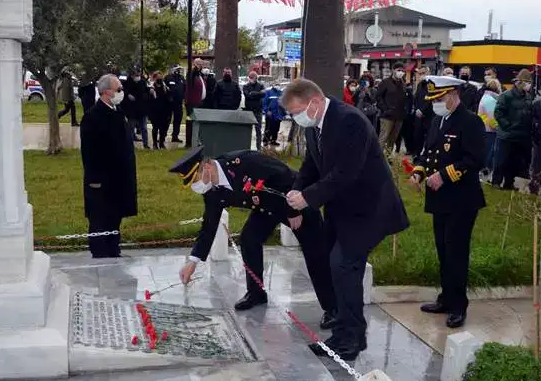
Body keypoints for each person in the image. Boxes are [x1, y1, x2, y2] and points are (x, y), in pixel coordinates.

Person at [281, 79, 409, 360]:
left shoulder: (349, 121)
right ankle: (341, 332)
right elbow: (312, 164)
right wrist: (297, 188)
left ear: (314, 102)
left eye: (296, 111)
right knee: (330, 262)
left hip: (369, 209)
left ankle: (352, 339)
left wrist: (309, 198)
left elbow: (346, 172)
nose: (295, 118)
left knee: (344, 266)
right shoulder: (315, 125)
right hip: (342, 209)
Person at [172, 146, 337, 328]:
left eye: (196, 179)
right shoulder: (213, 190)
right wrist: (192, 262)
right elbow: (209, 226)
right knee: (249, 239)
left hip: (294, 201)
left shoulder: (243, 162)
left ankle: (333, 308)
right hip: (265, 209)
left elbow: (285, 175)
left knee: (316, 253)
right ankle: (256, 293)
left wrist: (294, 210)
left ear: (208, 167)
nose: (197, 186)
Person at [409, 75, 486, 329]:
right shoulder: (437, 120)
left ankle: (458, 305)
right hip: (439, 198)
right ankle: (446, 297)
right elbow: (426, 152)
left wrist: (443, 175)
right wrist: (418, 171)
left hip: (461, 199)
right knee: (443, 250)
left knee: (456, 253)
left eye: (440, 99)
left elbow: (475, 160)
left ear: (454, 95)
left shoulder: (470, 122)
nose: (435, 104)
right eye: (433, 100)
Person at [80, 74, 138, 258]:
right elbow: (89, 152)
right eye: (118, 89)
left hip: (119, 177)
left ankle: (114, 247)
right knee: (100, 218)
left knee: (115, 216)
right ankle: (100, 251)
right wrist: (94, 179)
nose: (121, 92)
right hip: (102, 180)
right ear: (106, 92)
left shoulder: (117, 113)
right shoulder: (93, 116)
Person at [492, 69, 533, 190]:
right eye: (527, 82)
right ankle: (496, 182)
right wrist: (508, 126)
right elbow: (498, 113)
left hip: (520, 136)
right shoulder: (506, 95)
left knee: (514, 162)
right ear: (519, 82)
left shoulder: (528, 97)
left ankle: (509, 182)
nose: (528, 85)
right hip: (506, 135)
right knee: (501, 160)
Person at [375, 64, 407, 155]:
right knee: (383, 137)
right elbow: (378, 97)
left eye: (403, 71)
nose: (401, 73)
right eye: (398, 70)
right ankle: (377, 157)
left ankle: (388, 157)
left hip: (399, 116)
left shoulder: (403, 84)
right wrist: (385, 109)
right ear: (393, 70)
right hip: (387, 116)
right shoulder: (385, 82)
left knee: (392, 139)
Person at [477, 78, 502, 178]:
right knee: (488, 154)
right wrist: (498, 128)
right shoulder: (491, 100)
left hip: (485, 129)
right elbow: (492, 118)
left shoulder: (486, 97)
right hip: (489, 130)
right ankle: (484, 174)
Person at [123, 68, 151, 149]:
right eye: (136, 75)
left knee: (144, 128)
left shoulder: (142, 82)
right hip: (132, 110)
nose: (138, 76)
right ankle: (130, 145)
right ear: (132, 75)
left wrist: (150, 90)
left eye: (139, 75)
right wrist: (128, 95)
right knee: (131, 128)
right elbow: (124, 92)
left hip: (142, 109)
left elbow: (146, 89)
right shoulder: (127, 83)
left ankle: (146, 144)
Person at [148, 71, 173, 150]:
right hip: (154, 111)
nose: (159, 79)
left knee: (163, 129)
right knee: (155, 128)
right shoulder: (151, 88)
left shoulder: (165, 87)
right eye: (158, 77)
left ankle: (161, 143)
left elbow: (169, 98)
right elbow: (148, 100)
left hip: (164, 111)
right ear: (155, 78)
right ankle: (155, 144)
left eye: (161, 77)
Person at [185, 61, 206, 147]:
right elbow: (190, 76)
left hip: (200, 102)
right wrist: (194, 68)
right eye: (198, 64)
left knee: (198, 123)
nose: (200, 66)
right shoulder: (192, 75)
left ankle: (197, 140)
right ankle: (189, 142)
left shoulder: (200, 75)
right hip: (192, 103)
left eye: (201, 64)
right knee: (190, 122)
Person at [242, 70, 266, 149]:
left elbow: (263, 94)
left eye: (253, 77)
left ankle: (258, 148)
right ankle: (245, 147)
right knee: (246, 131)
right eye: (250, 77)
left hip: (258, 111)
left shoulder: (261, 85)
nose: (251, 79)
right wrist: (257, 94)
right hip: (248, 111)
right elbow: (247, 95)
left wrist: (252, 93)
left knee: (258, 131)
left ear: (256, 78)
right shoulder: (246, 86)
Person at [413, 65, 433, 157]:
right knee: (418, 137)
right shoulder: (420, 85)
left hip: (429, 116)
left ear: (428, 73)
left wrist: (422, 110)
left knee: (430, 138)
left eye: (423, 73)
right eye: (420, 73)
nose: (421, 75)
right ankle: (417, 155)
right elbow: (416, 99)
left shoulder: (433, 84)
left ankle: (427, 157)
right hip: (419, 116)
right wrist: (417, 109)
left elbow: (431, 98)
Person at [165, 65, 185, 143]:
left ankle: (175, 136)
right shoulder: (168, 77)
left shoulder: (182, 78)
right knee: (167, 120)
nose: (178, 71)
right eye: (177, 69)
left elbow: (185, 88)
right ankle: (163, 136)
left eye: (179, 69)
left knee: (178, 120)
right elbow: (165, 88)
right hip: (169, 103)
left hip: (179, 103)